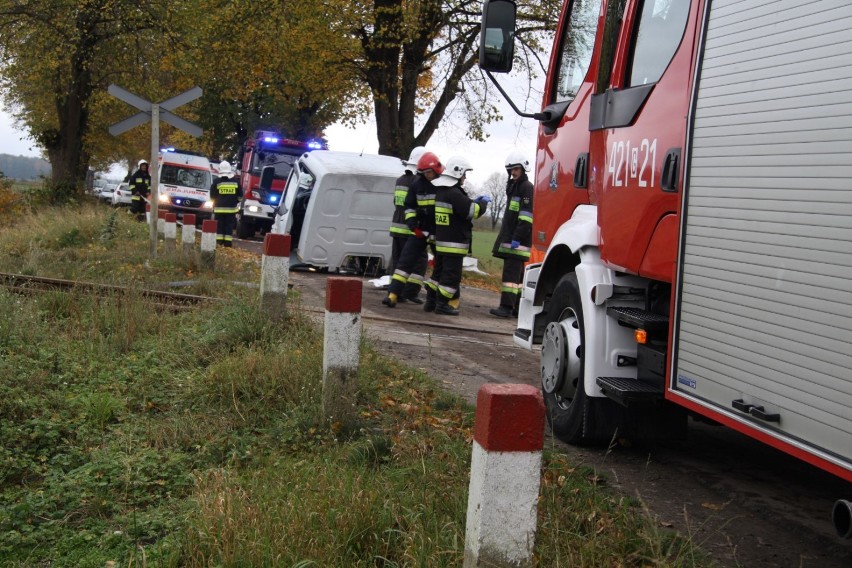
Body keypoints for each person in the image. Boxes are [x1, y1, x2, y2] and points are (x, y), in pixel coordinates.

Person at [383, 151, 442, 308]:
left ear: (436, 169)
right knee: (404, 262)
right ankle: (393, 295)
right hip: (420, 230)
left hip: (438, 231)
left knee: (441, 264)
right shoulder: (417, 185)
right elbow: (409, 206)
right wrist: (413, 225)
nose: (428, 175)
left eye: (429, 172)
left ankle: (436, 300)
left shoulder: (444, 185)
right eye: (425, 172)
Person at [432, 156, 489, 316]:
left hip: (443, 242)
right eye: (464, 174)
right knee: (451, 277)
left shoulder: (442, 191)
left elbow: (460, 207)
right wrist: (482, 204)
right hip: (454, 244)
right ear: (458, 173)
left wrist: (471, 201)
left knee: (439, 273)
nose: (465, 177)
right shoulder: (454, 193)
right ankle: (442, 304)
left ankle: (432, 301)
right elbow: (472, 211)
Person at [489, 151, 534, 318]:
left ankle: (506, 307)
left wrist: (517, 237)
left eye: (516, 169)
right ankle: (516, 308)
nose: (513, 172)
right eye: (511, 170)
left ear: (523, 169)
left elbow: (526, 216)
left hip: (518, 240)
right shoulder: (514, 186)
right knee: (517, 277)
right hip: (512, 239)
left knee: (511, 276)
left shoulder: (526, 187)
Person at [388, 146, 426, 275]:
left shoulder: (400, 180)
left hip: (396, 228)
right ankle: (407, 290)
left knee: (397, 261)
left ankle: (393, 288)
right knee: (414, 263)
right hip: (410, 229)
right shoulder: (418, 182)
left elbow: (396, 202)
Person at [209, 160, 242, 247]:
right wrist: (236, 201)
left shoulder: (217, 182)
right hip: (231, 210)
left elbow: (212, 195)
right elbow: (240, 196)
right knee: (229, 225)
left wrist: (215, 201)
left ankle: (219, 241)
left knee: (220, 225)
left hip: (219, 209)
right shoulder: (236, 182)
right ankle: (228, 243)